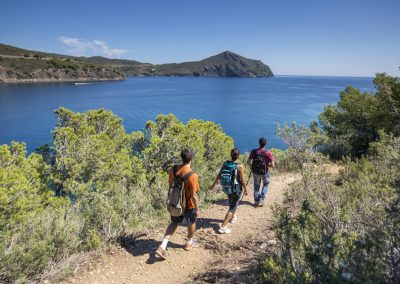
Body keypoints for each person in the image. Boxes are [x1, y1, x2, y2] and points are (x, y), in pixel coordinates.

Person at [155, 148, 200, 260]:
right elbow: (194, 195)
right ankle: (189, 242)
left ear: (181, 157)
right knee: (192, 222)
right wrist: (197, 208)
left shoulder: (173, 169)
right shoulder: (192, 175)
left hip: (175, 203)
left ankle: (163, 245)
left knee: (174, 222)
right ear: (191, 158)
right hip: (189, 205)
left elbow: (170, 184)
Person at [209, 148, 248, 234]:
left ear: (231, 155)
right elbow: (243, 180)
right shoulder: (239, 167)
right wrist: (245, 190)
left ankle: (233, 217)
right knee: (233, 207)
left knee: (231, 202)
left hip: (227, 188)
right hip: (236, 189)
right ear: (238, 156)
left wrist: (213, 186)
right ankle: (223, 226)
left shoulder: (225, 164)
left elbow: (219, 175)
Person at [246, 137, 275, 207]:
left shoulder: (254, 151)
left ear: (259, 143)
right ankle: (261, 199)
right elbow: (273, 165)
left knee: (256, 187)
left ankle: (256, 201)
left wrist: (252, 168)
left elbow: (248, 162)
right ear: (266, 144)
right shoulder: (268, 153)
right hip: (264, 172)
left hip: (255, 172)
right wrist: (267, 165)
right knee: (266, 184)